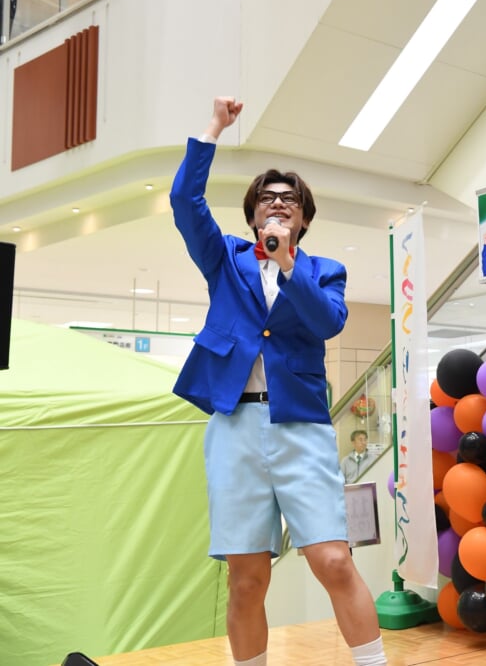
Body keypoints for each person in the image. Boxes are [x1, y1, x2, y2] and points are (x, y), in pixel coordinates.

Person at [169, 96, 386, 666]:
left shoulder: (324, 271)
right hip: (234, 425)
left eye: (289, 199)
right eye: (267, 198)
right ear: (252, 217)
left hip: (301, 426)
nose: (278, 204)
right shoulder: (225, 260)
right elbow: (185, 201)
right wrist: (213, 128)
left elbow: (327, 322)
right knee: (246, 579)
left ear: (304, 219)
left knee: (333, 560)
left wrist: (288, 264)